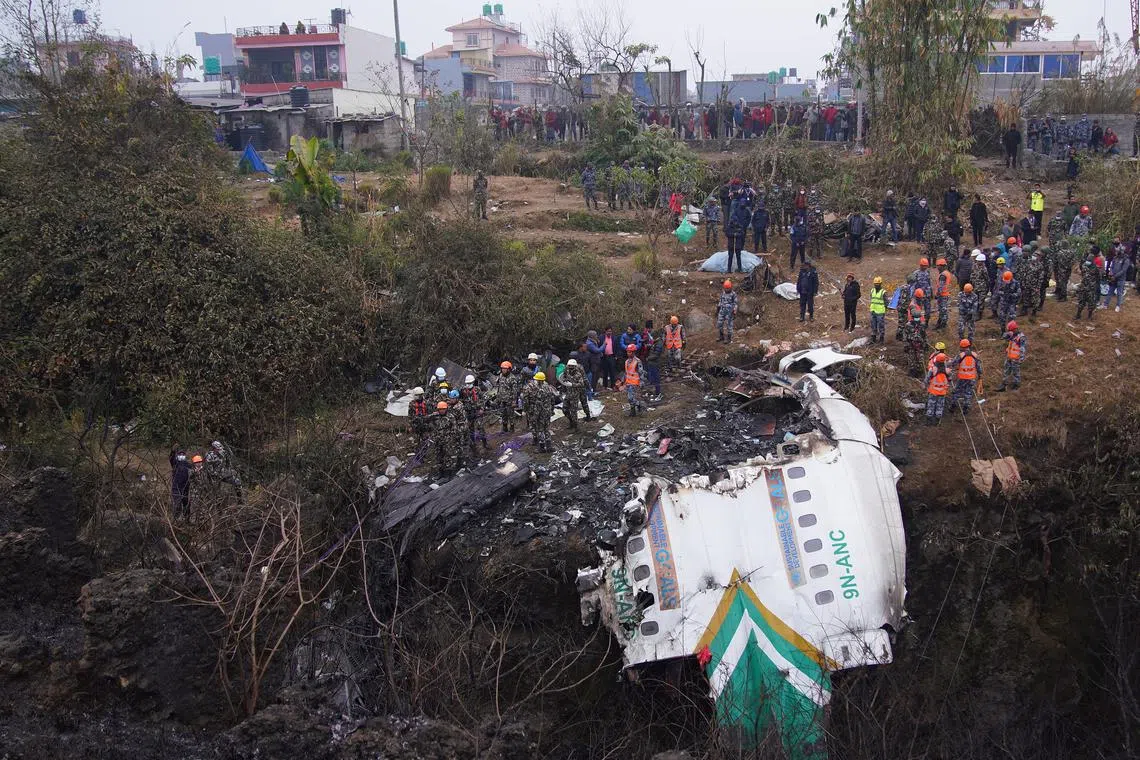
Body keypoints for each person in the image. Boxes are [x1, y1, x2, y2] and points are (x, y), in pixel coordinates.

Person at [522, 372, 557, 451]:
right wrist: (551, 410)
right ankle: (549, 446)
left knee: (539, 429)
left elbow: (525, 400)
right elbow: (552, 399)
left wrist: (525, 410)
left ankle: (542, 447)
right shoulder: (548, 387)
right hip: (547, 411)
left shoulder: (530, 388)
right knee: (546, 428)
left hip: (537, 412)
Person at [948, 339, 981, 414]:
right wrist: (980, 375)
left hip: (962, 377)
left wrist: (948, 363)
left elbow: (953, 363)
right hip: (971, 377)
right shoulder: (975, 355)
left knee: (956, 391)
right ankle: (966, 408)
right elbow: (978, 366)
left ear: (962, 347)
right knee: (968, 392)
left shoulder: (960, 355)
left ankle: (953, 406)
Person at [460, 374, 489, 454]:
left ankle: (485, 443)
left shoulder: (477, 390)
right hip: (468, 413)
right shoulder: (462, 390)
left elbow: (482, 400)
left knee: (480, 427)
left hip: (477, 412)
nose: (468, 385)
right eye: (467, 383)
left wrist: (482, 409)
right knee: (470, 430)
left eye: (469, 383)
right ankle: (473, 447)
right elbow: (461, 401)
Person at [995, 321, 1026, 392]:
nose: (1009, 332)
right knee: (1006, 371)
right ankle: (1004, 385)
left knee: (1016, 372)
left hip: (1016, 359)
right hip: (1009, 357)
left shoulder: (1021, 337)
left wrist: (1021, 359)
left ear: (1015, 329)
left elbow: (1022, 349)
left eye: (1010, 330)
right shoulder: (1012, 335)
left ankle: (1016, 386)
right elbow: (1004, 337)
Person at [431, 401, 460, 476]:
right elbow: (433, 428)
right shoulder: (436, 417)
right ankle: (440, 473)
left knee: (448, 457)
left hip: (448, 442)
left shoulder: (450, 417)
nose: (441, 411)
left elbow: (455, 429)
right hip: (438, 441)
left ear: (446, 409)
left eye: (443, 409)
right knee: (438, 457)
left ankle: (449, 473)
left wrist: (450, 439)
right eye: (440, 409)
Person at [561, 358, 590, 430]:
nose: (570, 367)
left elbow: (582, 382)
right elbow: (563, 377)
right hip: (569, 393)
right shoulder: (566, 370)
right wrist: (564, 385)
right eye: (569, 366)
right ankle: (571, 422)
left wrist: (589, 387)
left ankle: (584, 419)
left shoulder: (578, 372)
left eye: (572, 366)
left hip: (577, 392)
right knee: (565, 409)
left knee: (581, 404)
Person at [904, 290, 928, 376]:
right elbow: (905, 336)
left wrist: (926, 344)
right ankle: (912, 371)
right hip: (911, 344)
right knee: (911, 359)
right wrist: (906, 345)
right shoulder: (908, 325)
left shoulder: (922, 325)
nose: (917, 319)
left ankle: (920, 372)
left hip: (920, 344)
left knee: (920, 359)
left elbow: (924, 336)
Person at [492, 361, 519, 433]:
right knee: (503, 414)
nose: (503, 370)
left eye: (505, 369)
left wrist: (514, 401)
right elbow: (499, 387)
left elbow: (515, 390)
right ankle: (504, 428)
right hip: (502, 399)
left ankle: (512, 428)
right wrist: (497, 398)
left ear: (509, 369)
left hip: (509, 400)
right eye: (502, 368)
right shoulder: (500, 376)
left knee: (511, 414)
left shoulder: (512, 378)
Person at [924, 354, 950, 425]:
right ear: (944, 361)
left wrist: (926, 385)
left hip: (933, 391)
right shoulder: (947, 371)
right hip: (942, 392)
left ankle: (928, 421)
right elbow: (949, 380)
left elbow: (926, 380)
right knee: (940, 405)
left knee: (931, 405)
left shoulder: (932, 370)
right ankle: (937, 421)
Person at [1074, 252, 1101, 320]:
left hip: (1091, 289)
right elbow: (1082, 273)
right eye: (1087, 260)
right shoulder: (1084, 266)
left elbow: (1098, 278)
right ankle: (1078, 315)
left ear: (1092, 261)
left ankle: (1089, 316)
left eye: (1089, 261)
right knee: (1081, 302)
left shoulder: (1096, 269)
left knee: (1091, 303)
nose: (1087, 262)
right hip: (1083, 287)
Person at [1102, 247, 1129, 311]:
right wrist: (1110, 272)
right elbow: (1112, 266)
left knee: (1119, 293)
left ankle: (1118, 306)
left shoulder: (1126, 260)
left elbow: (1123, 270)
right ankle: (1105, 304)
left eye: (1117, 252)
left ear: (1121, 252)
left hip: (1121, 279)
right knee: (1110, 291)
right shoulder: (1115, 258)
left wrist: (1115, 276)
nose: (1116, 253)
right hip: (1113, 278)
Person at [623, 344, 646, 416]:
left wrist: (641, 382)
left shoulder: (637, 361)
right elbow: (626, 372)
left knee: (631, 398)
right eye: (628, 352)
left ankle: (640, 405)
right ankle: (634, 411)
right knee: (630, 398)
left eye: (630, 352)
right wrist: (624, 382)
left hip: (635, 383)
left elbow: (641, 372)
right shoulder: (626, 361)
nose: (628, 353)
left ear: (633, 352)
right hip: (628, 382)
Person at [170, 449, 191, 519]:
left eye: (183, 454)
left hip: (185, 487)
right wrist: (173, 451)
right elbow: (171, 458)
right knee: (177, 504)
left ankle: (187, 519)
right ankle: (175, 520)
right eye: (180, 454)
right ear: (177, 455)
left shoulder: (188, 465)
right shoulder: (175, 463)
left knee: (186, 504)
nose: (181, 456)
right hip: (176, 487)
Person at [895, 273, 916, 342]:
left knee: (902, 322)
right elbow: (904, 300)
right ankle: (899, 336)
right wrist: (908, 307)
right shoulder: (907, 289)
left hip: (901, 307)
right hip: (902, 308)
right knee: (902, 322)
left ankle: (900, 335)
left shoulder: (904, 287)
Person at [643, 331, 663, 400]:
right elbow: (653, 348)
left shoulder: (659, 344)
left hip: (655, 363)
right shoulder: (656, 343)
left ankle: (658, 393)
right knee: (651, 378)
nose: (651, 338)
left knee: (656, 378)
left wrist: (648, 358)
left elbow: (656, 355)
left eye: (651, 337)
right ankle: (652, 391)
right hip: (651, 363)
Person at [969, 251, 990, 317]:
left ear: (982, 261)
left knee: (981, 300)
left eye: (979, 261)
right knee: (975, 299)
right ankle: (975, 311)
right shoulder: (974, 266)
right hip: (975, 286)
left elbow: (986, 278)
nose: (977, 262)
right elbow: (972, 274)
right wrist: (971, 282)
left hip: (982, 287)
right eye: (977, 261)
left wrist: (987, 287)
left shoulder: (984, 269)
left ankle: (980, 313)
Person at [934, 258, 953, 329]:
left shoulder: (943, 275)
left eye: (938, 266)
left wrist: (937, 294)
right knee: (942, 311)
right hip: (945, 294)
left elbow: (941, 287)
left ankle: (942, 326)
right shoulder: (946, 273)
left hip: (942, 296)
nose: (937, 267)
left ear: (942, 266)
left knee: (943, 311)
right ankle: (940, 323)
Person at [868, 276, 887, 343]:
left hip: (880, 312)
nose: (876, 285)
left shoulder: (883, 292)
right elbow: (871, 300)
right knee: (873, 325)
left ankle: (881, 339)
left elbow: (886, 302)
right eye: (875, 284)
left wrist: (885, 310)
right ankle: (873, 339)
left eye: (877, 284)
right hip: (873, 311)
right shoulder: (872, 290)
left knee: (881, 325)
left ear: (880, 284)